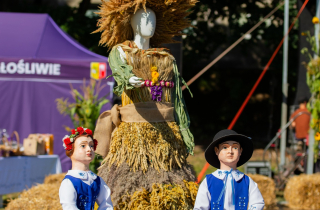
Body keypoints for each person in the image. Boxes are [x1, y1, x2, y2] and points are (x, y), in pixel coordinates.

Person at [93, 1, 198, 209]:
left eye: (152, 18)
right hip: (134, 133)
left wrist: (183, 128)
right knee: (128, 185)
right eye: (144, 18)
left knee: (170, 184)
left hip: (166, 132)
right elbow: (120, 70)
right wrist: (128, 79)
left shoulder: (166, 58)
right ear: (132, 23)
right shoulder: (121, 52)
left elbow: (177, 99)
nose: (149, 22)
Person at [194, 129, 265, 210]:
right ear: (216, 151)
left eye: (235, 147)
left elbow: (258, 202)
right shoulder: (208, 182)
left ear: (240, 151)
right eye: (225, 147)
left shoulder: (247, 181)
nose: (230, 151)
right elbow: (200, 207)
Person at [59, 127, 113, 210]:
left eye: (91, 145)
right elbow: (69, 207)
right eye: (83, 146)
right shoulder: (69, 182)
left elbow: (106, 204)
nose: (89, 149)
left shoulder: (97, 180)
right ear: (71, 151)